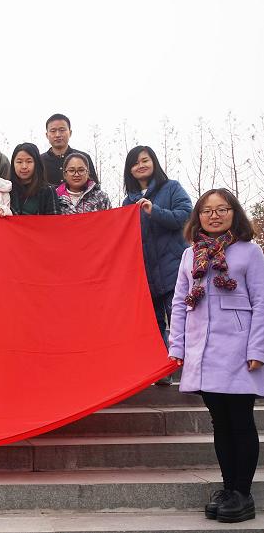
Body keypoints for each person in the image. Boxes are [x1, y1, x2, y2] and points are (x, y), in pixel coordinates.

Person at [168, 189, 264, 524]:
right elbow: (179, 302)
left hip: (239, 351)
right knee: (220, 422)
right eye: (207, 210)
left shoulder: (250, 252)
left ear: (234, 213)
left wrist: (257, 349)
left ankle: (243, 493)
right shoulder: (189, 254)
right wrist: (177, 346)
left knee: (241, 421)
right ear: (198, 217)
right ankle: (228, 489)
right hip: (203, 350)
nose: (214, 215)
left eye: (222, 209)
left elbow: (261, 302)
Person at [122, 146, 192, 386]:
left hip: (173, 267)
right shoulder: (128, 201)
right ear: (129, 170)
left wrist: (155, 211)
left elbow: (186, 217)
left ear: (154, 162)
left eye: (145, 160)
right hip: (145, 271)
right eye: (135, 163)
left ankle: (190, 367)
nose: (140, 165)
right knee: (154, 324)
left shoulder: (171, 187)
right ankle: (163, 369)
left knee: (179, 318)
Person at [40, 113, 98, 185]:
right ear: (47, 135)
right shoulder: (39, 160)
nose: (57, 135)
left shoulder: (83, 158)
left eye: (62, 130)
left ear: (70, 133)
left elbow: (94, 187)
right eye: (53, 131)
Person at [9, 143, 60, 215]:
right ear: (13, 164)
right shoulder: (6, 189)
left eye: (29, 161)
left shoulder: (48, 191)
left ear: (37, 163)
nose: (24, 166)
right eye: (19, 162)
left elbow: (55, 219)